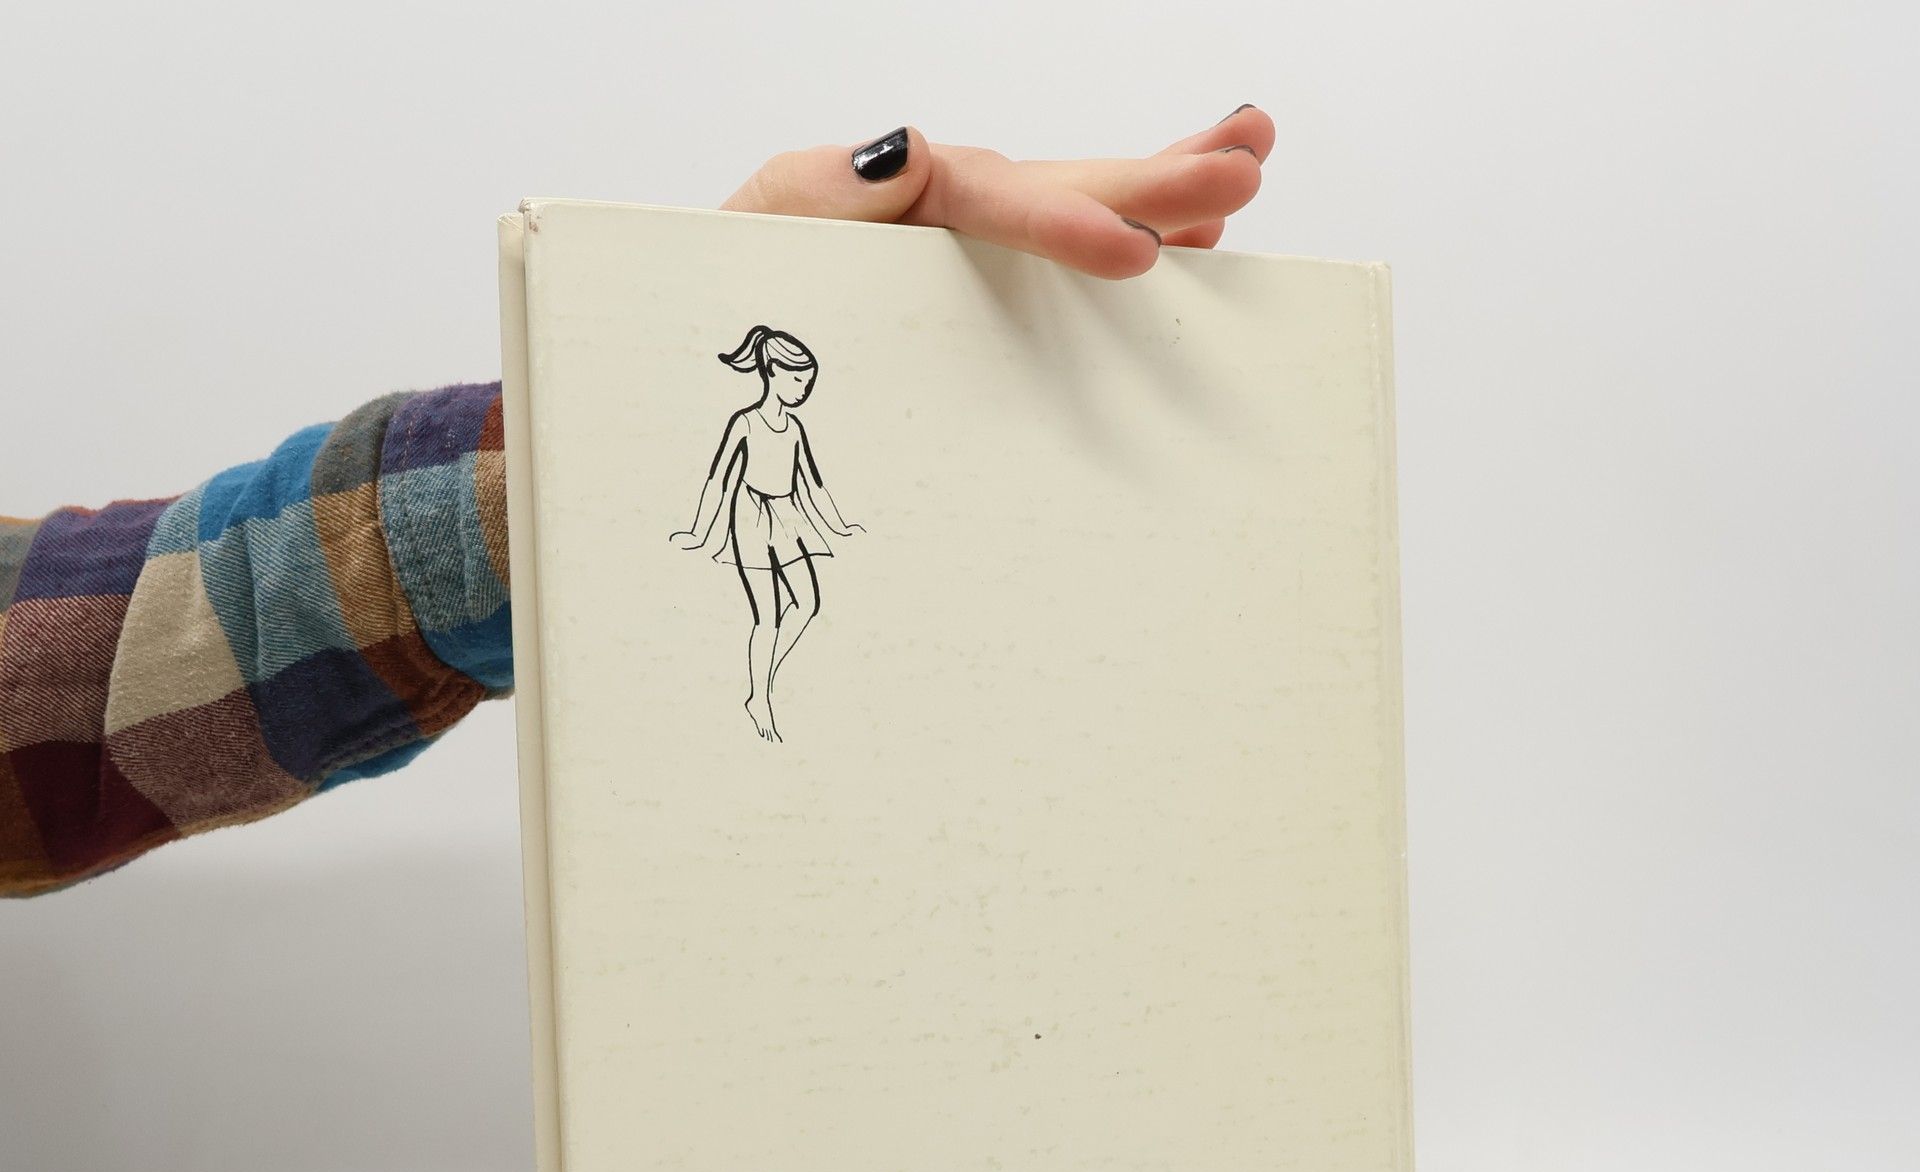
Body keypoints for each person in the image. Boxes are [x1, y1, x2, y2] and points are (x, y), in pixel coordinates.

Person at [0, 112, 1271, 897]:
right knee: (781, 627)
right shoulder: (750, 427)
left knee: (800, 617)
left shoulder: (771, 420)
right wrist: (648, 481)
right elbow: (87, 698)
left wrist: (604, 448)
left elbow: (90, 669)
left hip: (768, 532)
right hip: (742, 534)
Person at [671, 325, 860, 743]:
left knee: (807, 603)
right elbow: (718, 479)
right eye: (798, 381)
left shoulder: (794, 428)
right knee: (768, 617)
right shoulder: (745, 422)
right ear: (772, 370)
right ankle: (761, 698)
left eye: (808, 384)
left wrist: (840, 526)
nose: (803, 391)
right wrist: (699, 533)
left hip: (787, 515)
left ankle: (762, 680)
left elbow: (813, 485)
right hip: (749, 516)